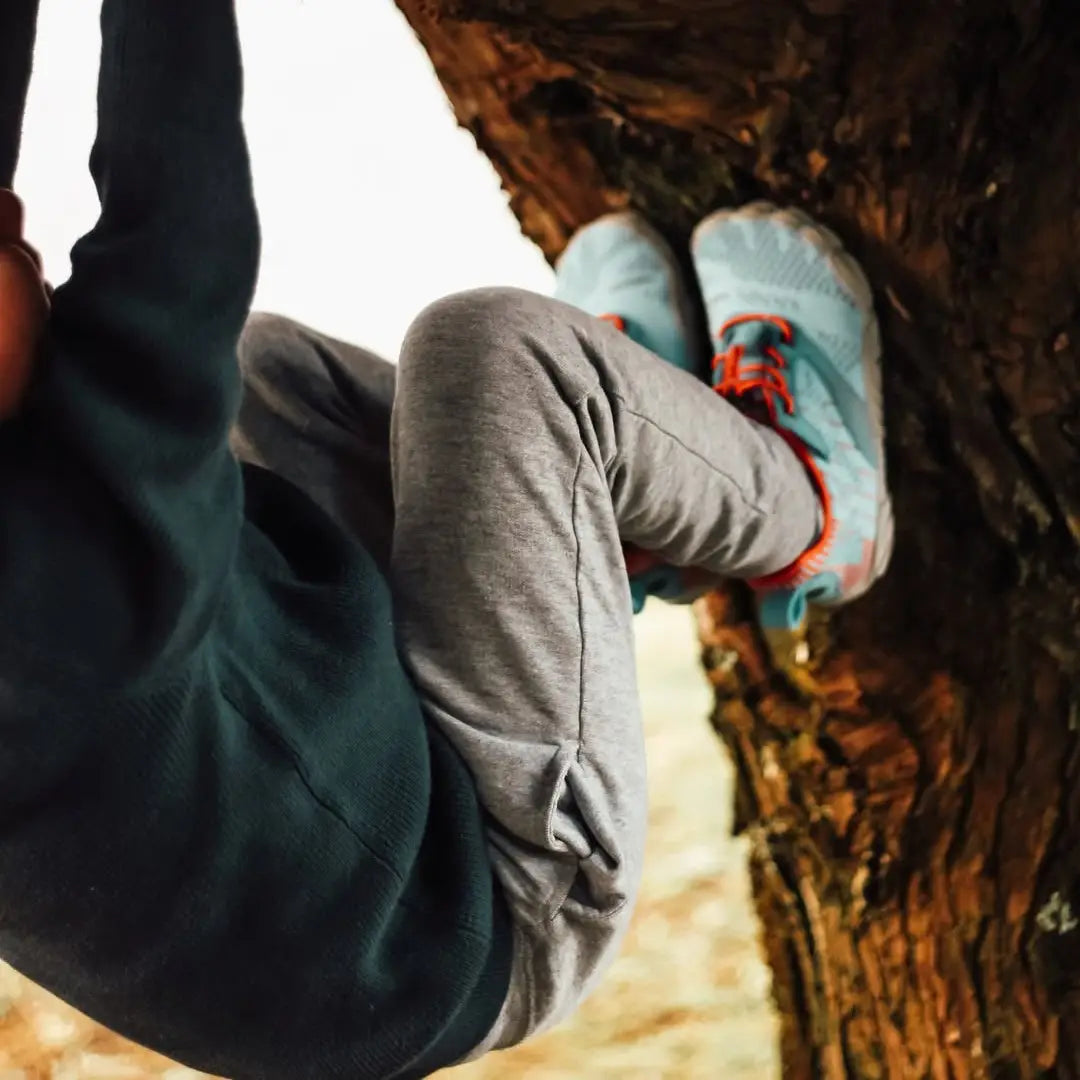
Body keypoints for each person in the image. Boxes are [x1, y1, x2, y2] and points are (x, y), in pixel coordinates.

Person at [0, 1, 892, 1078]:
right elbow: (173, 221)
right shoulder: (57, 605)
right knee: (497, 357)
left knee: (261, 374)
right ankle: (806, 499)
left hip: (353, 809)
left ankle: (611, 508)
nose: (16, 225)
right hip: (500, 902)